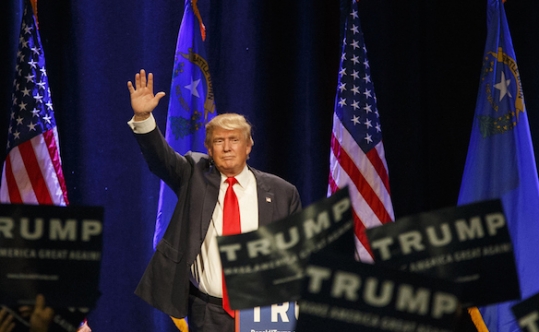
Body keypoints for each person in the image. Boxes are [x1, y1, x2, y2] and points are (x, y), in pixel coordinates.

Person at [127, 69, 302, 331]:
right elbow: (160, 159)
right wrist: (143, 117)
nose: (228, 147)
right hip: (208, 311)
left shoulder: (281, 192)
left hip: (263, 311)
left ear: (249, 146)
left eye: (235, 140)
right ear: (209, 149)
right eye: (219, 141)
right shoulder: (192, 174)